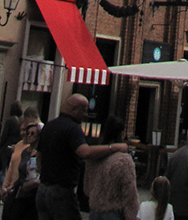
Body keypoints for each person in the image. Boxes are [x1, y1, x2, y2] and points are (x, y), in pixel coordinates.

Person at [36, 91, 127, 220]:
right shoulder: (73, 129)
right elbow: (85, 152)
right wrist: (114, 147)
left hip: (43, 189)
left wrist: (46, 174)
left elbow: (39, 155)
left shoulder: (49, 125)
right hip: (61, 191)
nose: (86, 115)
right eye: (84, 111)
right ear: (74, 109)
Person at [84, 115, 139, 220]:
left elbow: (87, 188)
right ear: (121, 134)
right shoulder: (123, 160)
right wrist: (132, 215)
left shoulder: (93, 157)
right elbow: (129, 193)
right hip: (114, 211)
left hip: (95, 210)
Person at [3, 116, 42, 220]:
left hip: (35, 195)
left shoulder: (41, 153)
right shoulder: (25, 152)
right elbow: (19, 172)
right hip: (22, 192)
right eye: (28, 132)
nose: (29, 135)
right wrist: (11, 186)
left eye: (32, 133)